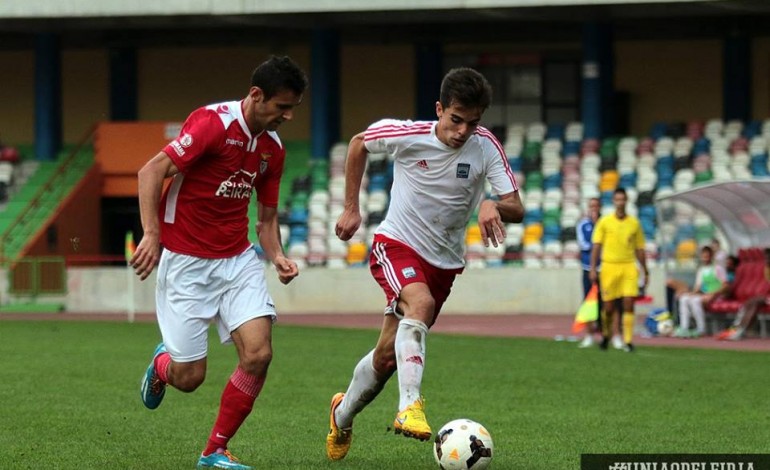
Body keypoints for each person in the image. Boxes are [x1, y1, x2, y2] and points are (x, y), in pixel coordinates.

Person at [326, 67, 524, 461]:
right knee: (421, 306)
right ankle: (410, 407)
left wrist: (492, 204)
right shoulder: (407, 135)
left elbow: (516, 207)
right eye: (456, 119)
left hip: (444, 264)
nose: (464, 130)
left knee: (386, 357)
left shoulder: (485, 146)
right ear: (439, 109)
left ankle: (341, 414)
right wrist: (352, 208)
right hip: (396, 244)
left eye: (473, 122)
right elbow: (357, 143)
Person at [130, 56, 308, 470]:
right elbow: (151, 171)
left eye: (294, 107)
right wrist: (152, 234)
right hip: (186, 263)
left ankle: (214, 451)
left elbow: (265, 219)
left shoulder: (272, 150)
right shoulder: (213, 124)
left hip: (237, 260)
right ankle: (163, 365)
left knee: (259, 355)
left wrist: (277, 255)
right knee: (190, 379)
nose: (289, 115)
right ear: (256, 95)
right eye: (283, 106)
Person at [589, 187, 648, 352]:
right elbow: (596, 246)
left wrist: (645, 269)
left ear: (626, 201)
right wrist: (593, 268)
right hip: (609, 266)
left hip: (629, 266)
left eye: (623, 199)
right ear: (614, 201)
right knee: (608, 307)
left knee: (628, 303)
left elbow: (640, 248)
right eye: (617, 199)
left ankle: (628, 341)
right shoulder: (605, 222)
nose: (620, 202)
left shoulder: (634, 223)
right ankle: (607, 335)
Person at [716, 248, 770, 341]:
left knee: (756, 302)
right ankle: (736, 328)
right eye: (766, 257)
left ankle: (740, 331)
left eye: (768, 257)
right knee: (750, 302)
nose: (766, 260)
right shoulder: (767, 268)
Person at [674, 245, 727, 338]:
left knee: (695, 301)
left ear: (711, 257)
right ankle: (684, 327)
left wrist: (714, 294)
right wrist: (690, 293)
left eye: (707, 256)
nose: (705, 258)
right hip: (705, 295)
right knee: (684, 299)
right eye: (703, 256)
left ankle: (701, 329)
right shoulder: (701, 270)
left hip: (716, 296)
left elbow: (725, 285)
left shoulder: (718, 269)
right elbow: (698, 287)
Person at [576, 197, 602, 348]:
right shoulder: (583, 225)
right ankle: (589, 334)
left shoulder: (605, 223)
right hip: (588, 267)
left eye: (596, 206)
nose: (594, 209)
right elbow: (584, 245)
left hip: (604, 267)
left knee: (606, 302)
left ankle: (606, 333)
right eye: (591, 206)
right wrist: (598, 245)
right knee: (588, 301)